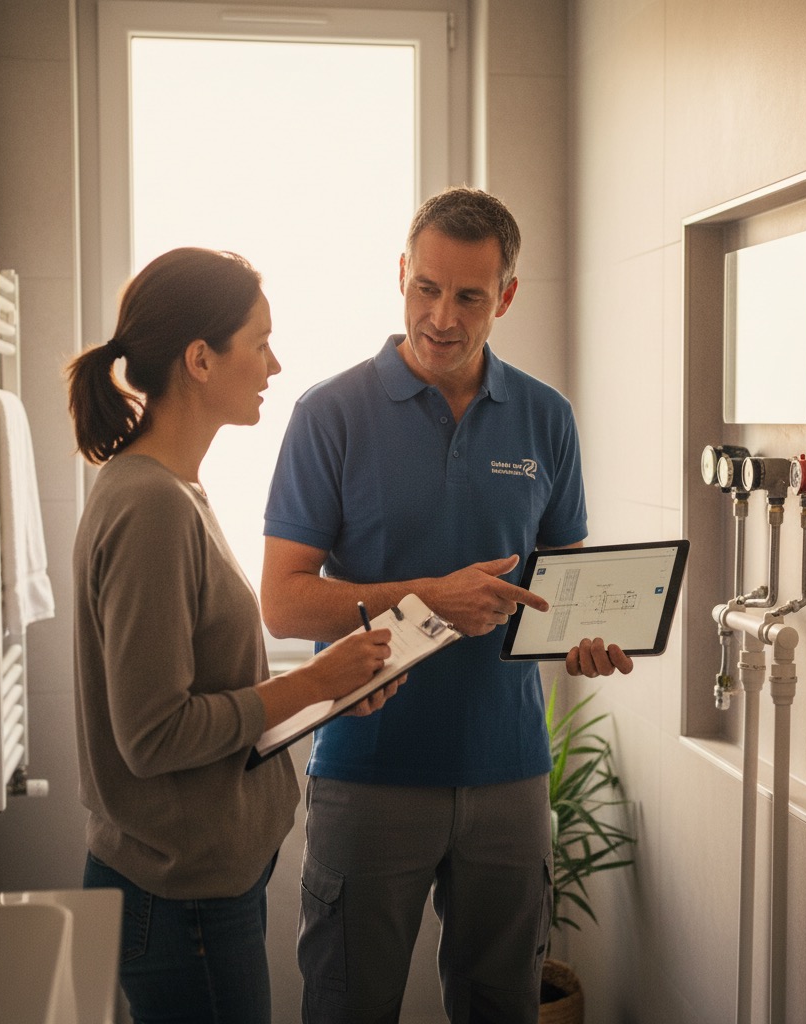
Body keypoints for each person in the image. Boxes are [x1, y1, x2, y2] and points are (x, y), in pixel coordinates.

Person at [260, 188, 634, 1024]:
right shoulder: (329, 415)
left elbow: (557, 594)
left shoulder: (546, 417)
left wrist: (582, 640)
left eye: (469, 296)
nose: (441, 316)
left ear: (504, 296)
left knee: (500, 1006)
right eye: (425, 287)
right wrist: (430, 598)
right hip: (368, 769)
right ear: (401, 275)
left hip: (509, 774)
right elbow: (282, 604)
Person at [67, 247, 401, 1024]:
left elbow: (211, 699)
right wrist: (315, 681)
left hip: (195, 887)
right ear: (199, 359)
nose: (274, 363)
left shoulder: (176, 489)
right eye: (259, 342)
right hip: (178, 900)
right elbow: (154, 734)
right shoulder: (150, 505)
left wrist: (328, 697)